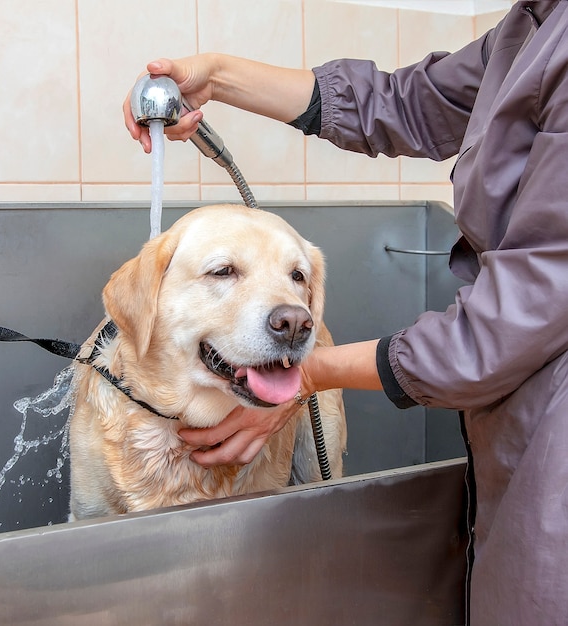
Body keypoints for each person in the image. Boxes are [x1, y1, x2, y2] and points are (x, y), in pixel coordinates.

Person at [124, 2, 568, 624]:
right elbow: (407, 102)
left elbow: (500, 329)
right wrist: (217, 76)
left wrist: (307, 375)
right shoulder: (535, 22)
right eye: (224, 272)